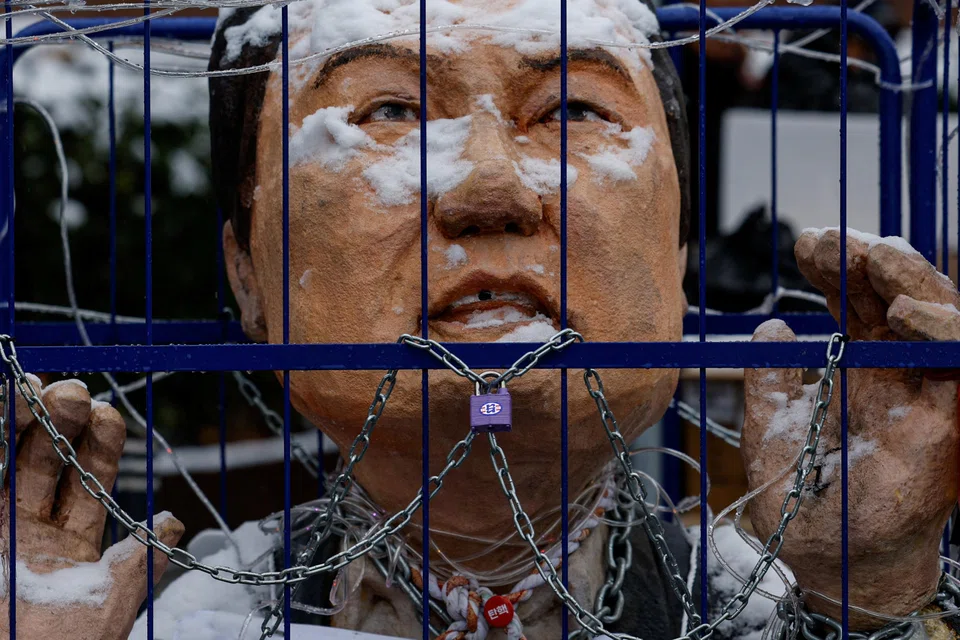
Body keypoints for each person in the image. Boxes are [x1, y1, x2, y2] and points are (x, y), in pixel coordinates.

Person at [3, 0, 959, 638]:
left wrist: (866, 599)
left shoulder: (768, 604)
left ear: (674, 259)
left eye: (575, 113)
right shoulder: (170, 617)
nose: (492, 188)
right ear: (247, 274)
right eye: (387, 111)